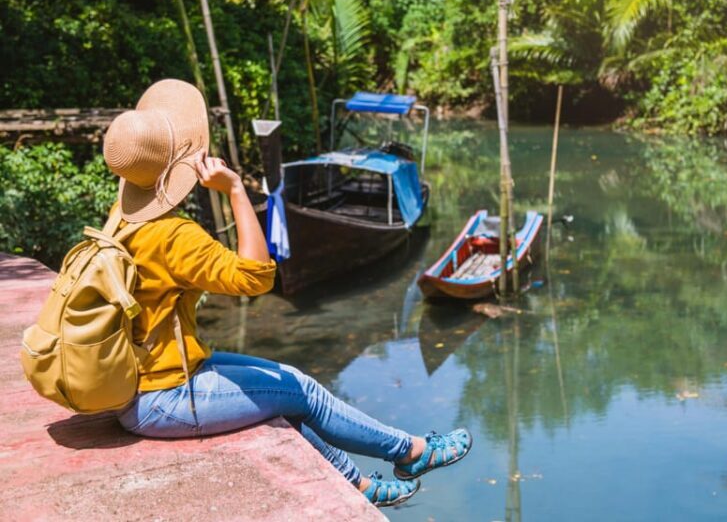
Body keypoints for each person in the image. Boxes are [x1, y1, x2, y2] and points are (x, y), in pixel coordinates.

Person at [104, 79, 472, 508]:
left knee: (284, 383)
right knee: (302, 390)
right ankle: (410, 452)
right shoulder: (172, 236)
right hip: (162, 398)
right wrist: (235, 189)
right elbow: (256, 277)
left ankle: (357, 484)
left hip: (145, 381)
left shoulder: (121, 220)